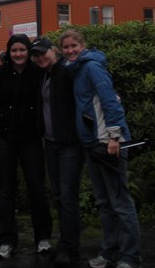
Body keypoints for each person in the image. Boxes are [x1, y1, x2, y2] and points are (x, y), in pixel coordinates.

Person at [60, 29, 142, 268]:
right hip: (91, 145)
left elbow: (109, 100)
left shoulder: (92, 67)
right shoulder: (74, 70)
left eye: (74, 45)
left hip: (108, 143)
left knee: (120, 202)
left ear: (83, 45)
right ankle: (110, 252)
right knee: (105, 202)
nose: (70, 50)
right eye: (65, 47)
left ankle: (131, 257)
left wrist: (115, 137)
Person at [0, 33, 52, 259]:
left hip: (31, 139)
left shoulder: (38, 73)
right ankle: (7, 240)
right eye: (14, 50)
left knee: (37, 187)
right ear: (9, 53)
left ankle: (43, 238)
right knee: (7, 189)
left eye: (22, 50)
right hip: (4, 139)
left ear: (29, 52)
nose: (18, 54)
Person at [31, 36, 85, 267]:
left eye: (44, 52)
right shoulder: (45, 74)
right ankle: (65, 241)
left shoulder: (66, 71)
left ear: (54, 51)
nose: (40, 57)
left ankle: (69, 246)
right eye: (37, 54)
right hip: (51, 143)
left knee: (68, 195)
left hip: (70, 143)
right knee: (58, 194)